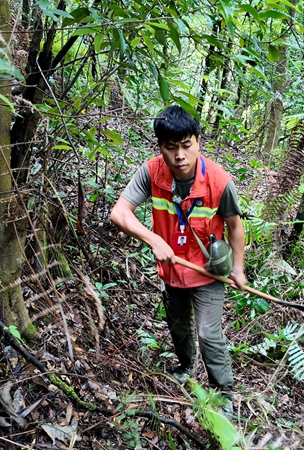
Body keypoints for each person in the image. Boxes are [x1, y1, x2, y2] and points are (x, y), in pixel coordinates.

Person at [110, 105, 247, 401]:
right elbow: (119, 213)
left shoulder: (219, 181)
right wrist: (152, 240)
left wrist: (238, 268)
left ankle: (224, 394)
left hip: (207, 273)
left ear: (198, 140)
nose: (180, 156)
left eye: (187, 145)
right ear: (161, 147)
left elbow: (235, 226)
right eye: (171, 148)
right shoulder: (151, 172)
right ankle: (186, 366)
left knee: (209, 334)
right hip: (172, 272)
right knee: (179, 327)